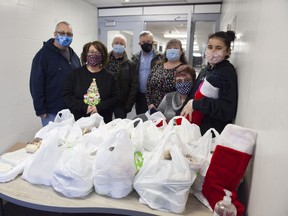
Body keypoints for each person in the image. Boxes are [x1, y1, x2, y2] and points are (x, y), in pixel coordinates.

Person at [180, 30, 238, 135]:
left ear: (227, 51)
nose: (213, 51)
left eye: (218, 48)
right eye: (210, 47)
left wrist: (196, 104)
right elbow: (192, 95)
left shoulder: (226, 72)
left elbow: (227, 109)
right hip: (193, 129)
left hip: (210, 133)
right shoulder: (206, 70)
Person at [30, 21, 81, 126]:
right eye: (62, 33)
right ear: (55, 34)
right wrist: (40, 109)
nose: (65, 36)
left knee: (70, 140)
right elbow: (36, 84)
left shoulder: (74, 56)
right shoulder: (43, 56)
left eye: (69, 34)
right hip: (52, 112)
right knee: (53, 141)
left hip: (71, 110)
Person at [63, 41, 120, 123]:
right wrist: (85, 107)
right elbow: (67, 97)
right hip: (79, 122)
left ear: (103, 56)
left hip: (103, 122)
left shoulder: (109, 76)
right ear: (86, 55)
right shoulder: (75, 74)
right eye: (91, 52)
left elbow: (116, 98)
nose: (94, 55)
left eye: (98, 53)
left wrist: (99, 107)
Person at [146, 39, 188, 110]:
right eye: (169, 48)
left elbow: (186, 91)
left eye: (175, 48)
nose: (172, 50)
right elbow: (148, 85)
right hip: (153, 108)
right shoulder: (158, 66)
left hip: (173, 109)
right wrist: (149, 103)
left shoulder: (184, 69)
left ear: (180, 52)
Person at [106, 34, 138, 119]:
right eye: (116, 43)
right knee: (105, 126)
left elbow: (134, 86)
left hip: (121, 103)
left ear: (125, 46)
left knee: (119, 127)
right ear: (112, 44)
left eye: (121, 43)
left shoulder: (130, 64)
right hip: (106, 101)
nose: (119, 45)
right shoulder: (104, 60)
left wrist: (129, 105)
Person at [132, 31, 162, 115]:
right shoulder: (135, 58)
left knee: (155, 120)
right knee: (141, 118)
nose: (146, 44)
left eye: (148, 41)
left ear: (152, 42)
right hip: (140, 96)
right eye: (143, 42)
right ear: (139, 43)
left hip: (155, 96)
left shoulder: (160, 57)